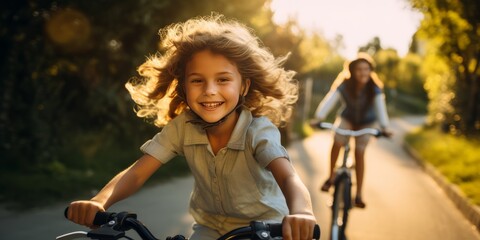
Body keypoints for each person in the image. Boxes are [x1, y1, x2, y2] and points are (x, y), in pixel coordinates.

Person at [67, 14, 317, 240]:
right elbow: (136, 173)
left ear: (244, 86)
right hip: (209, 229)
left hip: (264, 229)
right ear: (184, 87)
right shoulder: (182, 127)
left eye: (223, 79)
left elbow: (288, 177)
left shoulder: (257, 130)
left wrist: (302, 212)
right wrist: (99, 201)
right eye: (197, 80)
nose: (210, 90)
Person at [311, 53, 392, 208]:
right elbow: (331, 99)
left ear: (371, 71)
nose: (363, 73)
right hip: (347, 118)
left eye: (366, 69)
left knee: (359, 152)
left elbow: (380, 108)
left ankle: (359, 194)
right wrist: (318, 118)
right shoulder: (344, 84)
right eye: (359, 69)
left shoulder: (374, 88)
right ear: (352, 71)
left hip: (367, 122)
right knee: (337, 141)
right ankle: (331, 177)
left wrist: (385, 127)